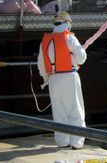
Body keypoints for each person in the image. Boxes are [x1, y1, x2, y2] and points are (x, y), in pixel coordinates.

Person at [37, 11, 87, 149]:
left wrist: (46, 78)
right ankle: (76, 143)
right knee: (75, 110)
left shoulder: (45, 41)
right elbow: (82, 58)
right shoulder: (69, 38)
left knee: (59, 112)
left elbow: (41, 63)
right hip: (69, 76)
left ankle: (62, 142)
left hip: (53, 79)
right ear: (67, 24)